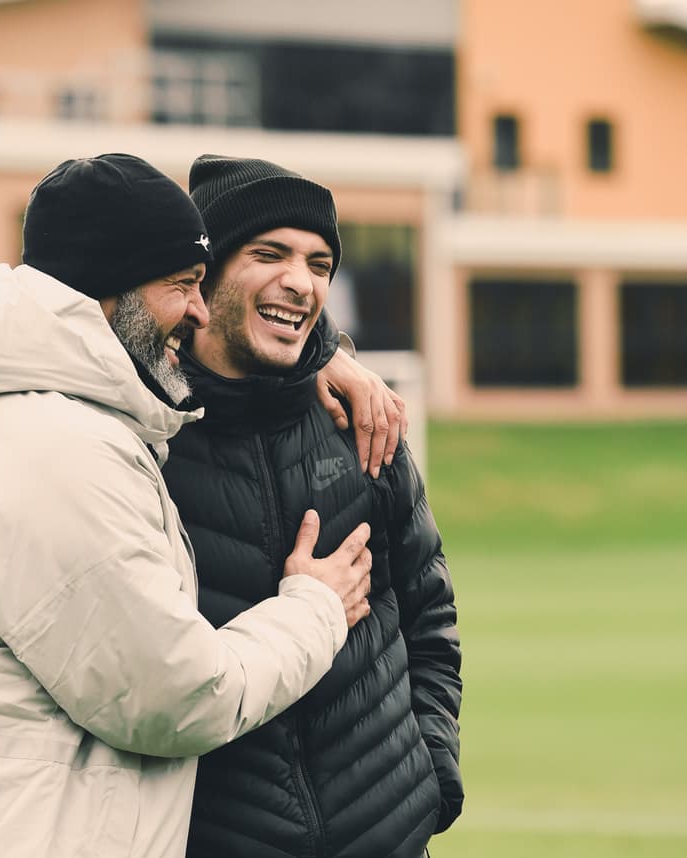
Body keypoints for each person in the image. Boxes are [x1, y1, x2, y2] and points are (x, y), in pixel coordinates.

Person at [0, 154, 402, 858]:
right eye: (183, 285)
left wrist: (317, 355)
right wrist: (315, 607)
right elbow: (178, 697)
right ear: (111, 290)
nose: (197, 311)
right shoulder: (51, 448)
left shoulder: (19, 395)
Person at [162, 154, 463, 858]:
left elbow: (430, 614)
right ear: (202, 278)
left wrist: (431, 774)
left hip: (391, 837)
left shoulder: (364, 424)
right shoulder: (146, 444)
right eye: (270, 254)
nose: (300, 282)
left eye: (319, 262)